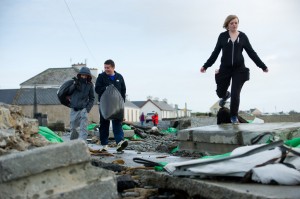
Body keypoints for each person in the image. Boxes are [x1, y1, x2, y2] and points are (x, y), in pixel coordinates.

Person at [200, 15, 268, 124]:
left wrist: (262, 66)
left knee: (235, 93)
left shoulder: (243, 37)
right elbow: (215, 53)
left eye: (236, 23)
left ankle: (233, 117)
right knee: (220, 93)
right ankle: (226, 95)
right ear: (227, 25)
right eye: (232, 23)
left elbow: (251, 52)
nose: (234, 25)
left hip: (239, 70)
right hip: (225, 69)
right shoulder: (222, 36)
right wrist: (206, 66)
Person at [95, 59, 128, 152]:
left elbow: (123, 91)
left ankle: (120, 143)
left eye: (108, 67)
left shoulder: (119, 77)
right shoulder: (101, 77)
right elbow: (97, 89)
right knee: (104, 123)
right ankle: (105, 144)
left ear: (113, 67)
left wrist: (122, 103)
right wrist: (105, 88)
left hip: (117, 105)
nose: (106, 69)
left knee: (117, 123)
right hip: (104, 104)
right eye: (105, 67)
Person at [69, 66, 95, 142]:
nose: (83, 77)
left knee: (83, 128)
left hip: (83, 109)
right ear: (80, 75)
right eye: (82, 75)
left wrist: (87, 109)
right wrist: (74, 85)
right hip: (74, 109)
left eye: (85, 75)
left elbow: (92, 98)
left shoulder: (90, 85)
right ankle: (73, 144)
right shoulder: (74, 82)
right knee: (73, 128)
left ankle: (83, 144)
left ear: (88, 76)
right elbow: (69, 92)